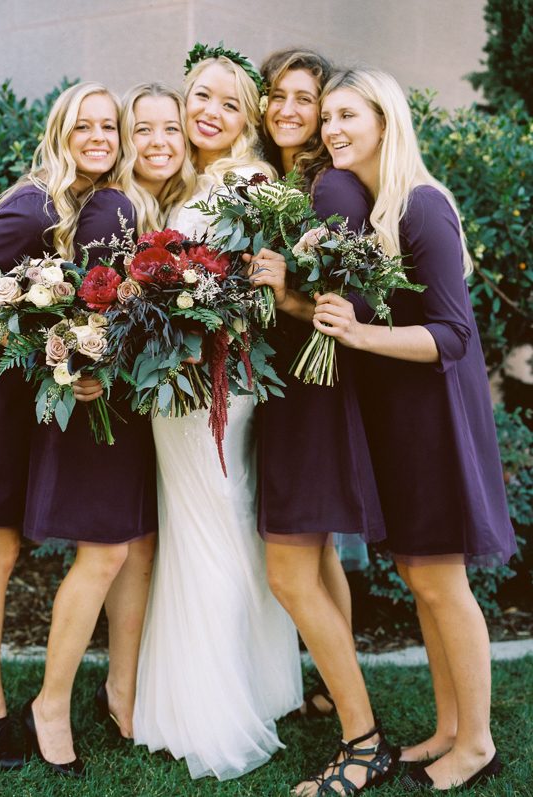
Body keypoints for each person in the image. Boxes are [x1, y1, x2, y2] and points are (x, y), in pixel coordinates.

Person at [313, 67, 516, 792]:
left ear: (385, 121)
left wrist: (359, 334)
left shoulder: (422, 207)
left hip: (434, 419)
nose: (332, 128)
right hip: (398, 420)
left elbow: (452, 335)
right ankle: (447, 726)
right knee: (419, 577)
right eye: (327, 116)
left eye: (347, 115)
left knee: (440, 580)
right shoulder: (370, 213)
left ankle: (478, 742)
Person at [0, 81, 120, 771]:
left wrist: (61, 346)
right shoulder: (34, 203)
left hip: (12, 398)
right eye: (84, 126)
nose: (98, 136)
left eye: (109, 126)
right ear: (60, 131)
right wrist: (33, 328)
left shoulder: (73, 203)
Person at [132, 45, 303, 781]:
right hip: (187, 379)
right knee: (214, 523)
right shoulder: (192, 180)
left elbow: (241, 292)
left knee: (212, 525)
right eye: (201, 95)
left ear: (248, 121)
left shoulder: (248, 181)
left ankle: (211, 708)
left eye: (230, 104)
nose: (209, 111)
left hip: (211, 383)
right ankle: (253, 686)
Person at [20, 86, 188, 774]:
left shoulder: (141, 202)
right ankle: (50, 702)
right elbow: (68, 300)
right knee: (105, 554)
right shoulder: (108, 205)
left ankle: (122, 690)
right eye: (135, 127)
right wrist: (72, 360)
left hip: (141, 406)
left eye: (110, 126)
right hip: (104, 404)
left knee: (137, 548)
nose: (143, 138)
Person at [258, 53, 381, 712]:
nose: (289, 109)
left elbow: (356, 305)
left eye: (306, 99)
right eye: (278, 95)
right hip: (296, 384)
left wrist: (288, 300)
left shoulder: (328, 187)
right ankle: (340, 691)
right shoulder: (279, 184)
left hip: (312, 393)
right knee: (322, 554)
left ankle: (362, 735)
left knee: (289, 571)